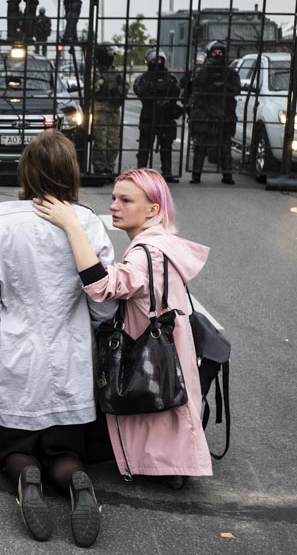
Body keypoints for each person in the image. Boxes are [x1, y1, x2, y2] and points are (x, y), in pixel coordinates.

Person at [0, 130, 115, 546]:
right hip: (71, 358)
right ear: (71, 172)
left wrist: (0, 315)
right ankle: (78, 484)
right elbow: (104, 302)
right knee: (66, 453)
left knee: (15, 450)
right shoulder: (86, 222)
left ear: (26, 172)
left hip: (18, 355)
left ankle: (25, 479)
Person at [33, 168, 213, 491]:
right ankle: (171, 464)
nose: (114, 205)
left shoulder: (147, 253)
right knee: (164, 406)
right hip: (171, 346)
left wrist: (72, 225)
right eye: (114, 198)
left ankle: (168, 465)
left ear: (153, 209)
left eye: (126, 200)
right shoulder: (158, 244)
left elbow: (103, 286)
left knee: (149, 400)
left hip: (151, 347)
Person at [183, 40, 239, 184]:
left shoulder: (230, 72)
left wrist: (223, 86)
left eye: (220, 53)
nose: (217, 55)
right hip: (204, 114)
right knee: (200, 146)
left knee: (225, 146)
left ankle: (227, 176)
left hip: (224, 113)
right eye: (214, 53)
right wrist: (207, 75)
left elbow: (236, 89)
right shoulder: (202, 71)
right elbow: (194, 88)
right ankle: (196, 176)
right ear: (209, 54)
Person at [134, 48, 182, 182]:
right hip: (149, 115)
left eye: (159, 60)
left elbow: (176, 92)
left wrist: (167, 101)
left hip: (165, 117)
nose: (157, 63)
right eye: (154, 60)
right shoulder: (143, 79)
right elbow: (139, 91)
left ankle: (167, 172)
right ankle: (141, 173)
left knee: (166, 147)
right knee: (144, 146)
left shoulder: (171, 78)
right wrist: (153, 98)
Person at [89, 44, 127, 176]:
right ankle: (99, 169)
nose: (112, 57)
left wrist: (119, 90)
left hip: (114, 111)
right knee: (100, 142)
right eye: (109, 54)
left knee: (113, 142)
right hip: (100, 111)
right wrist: (105, 87)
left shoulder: (115, 71)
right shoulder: (95, 71)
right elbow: (92, 89)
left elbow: (124, 87)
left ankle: (109, 169)